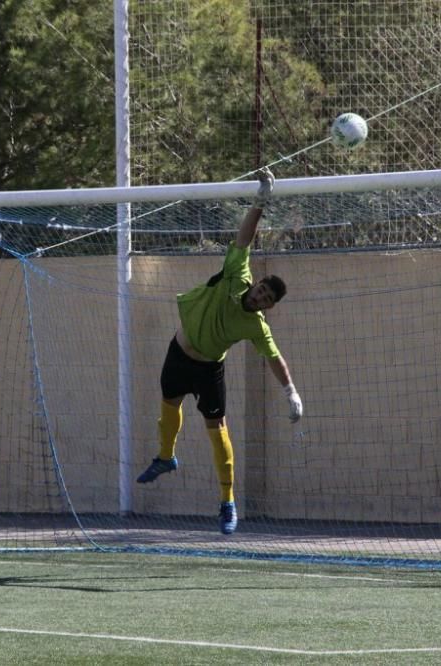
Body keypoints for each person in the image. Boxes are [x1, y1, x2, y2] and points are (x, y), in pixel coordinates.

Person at [137, 166, 302, 535]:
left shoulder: (256, 327)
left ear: (269, 307)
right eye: (262, 289)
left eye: (267, 299)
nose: (260, 296)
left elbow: (274, 357)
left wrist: (291, 393)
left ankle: (228, 502)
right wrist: (260, 202)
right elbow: (244, 238)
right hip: (178, 353)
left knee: (217, 430)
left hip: (210, 369)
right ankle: (166, 457)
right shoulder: (235, 274)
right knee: (168, 405)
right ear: (256, 284)